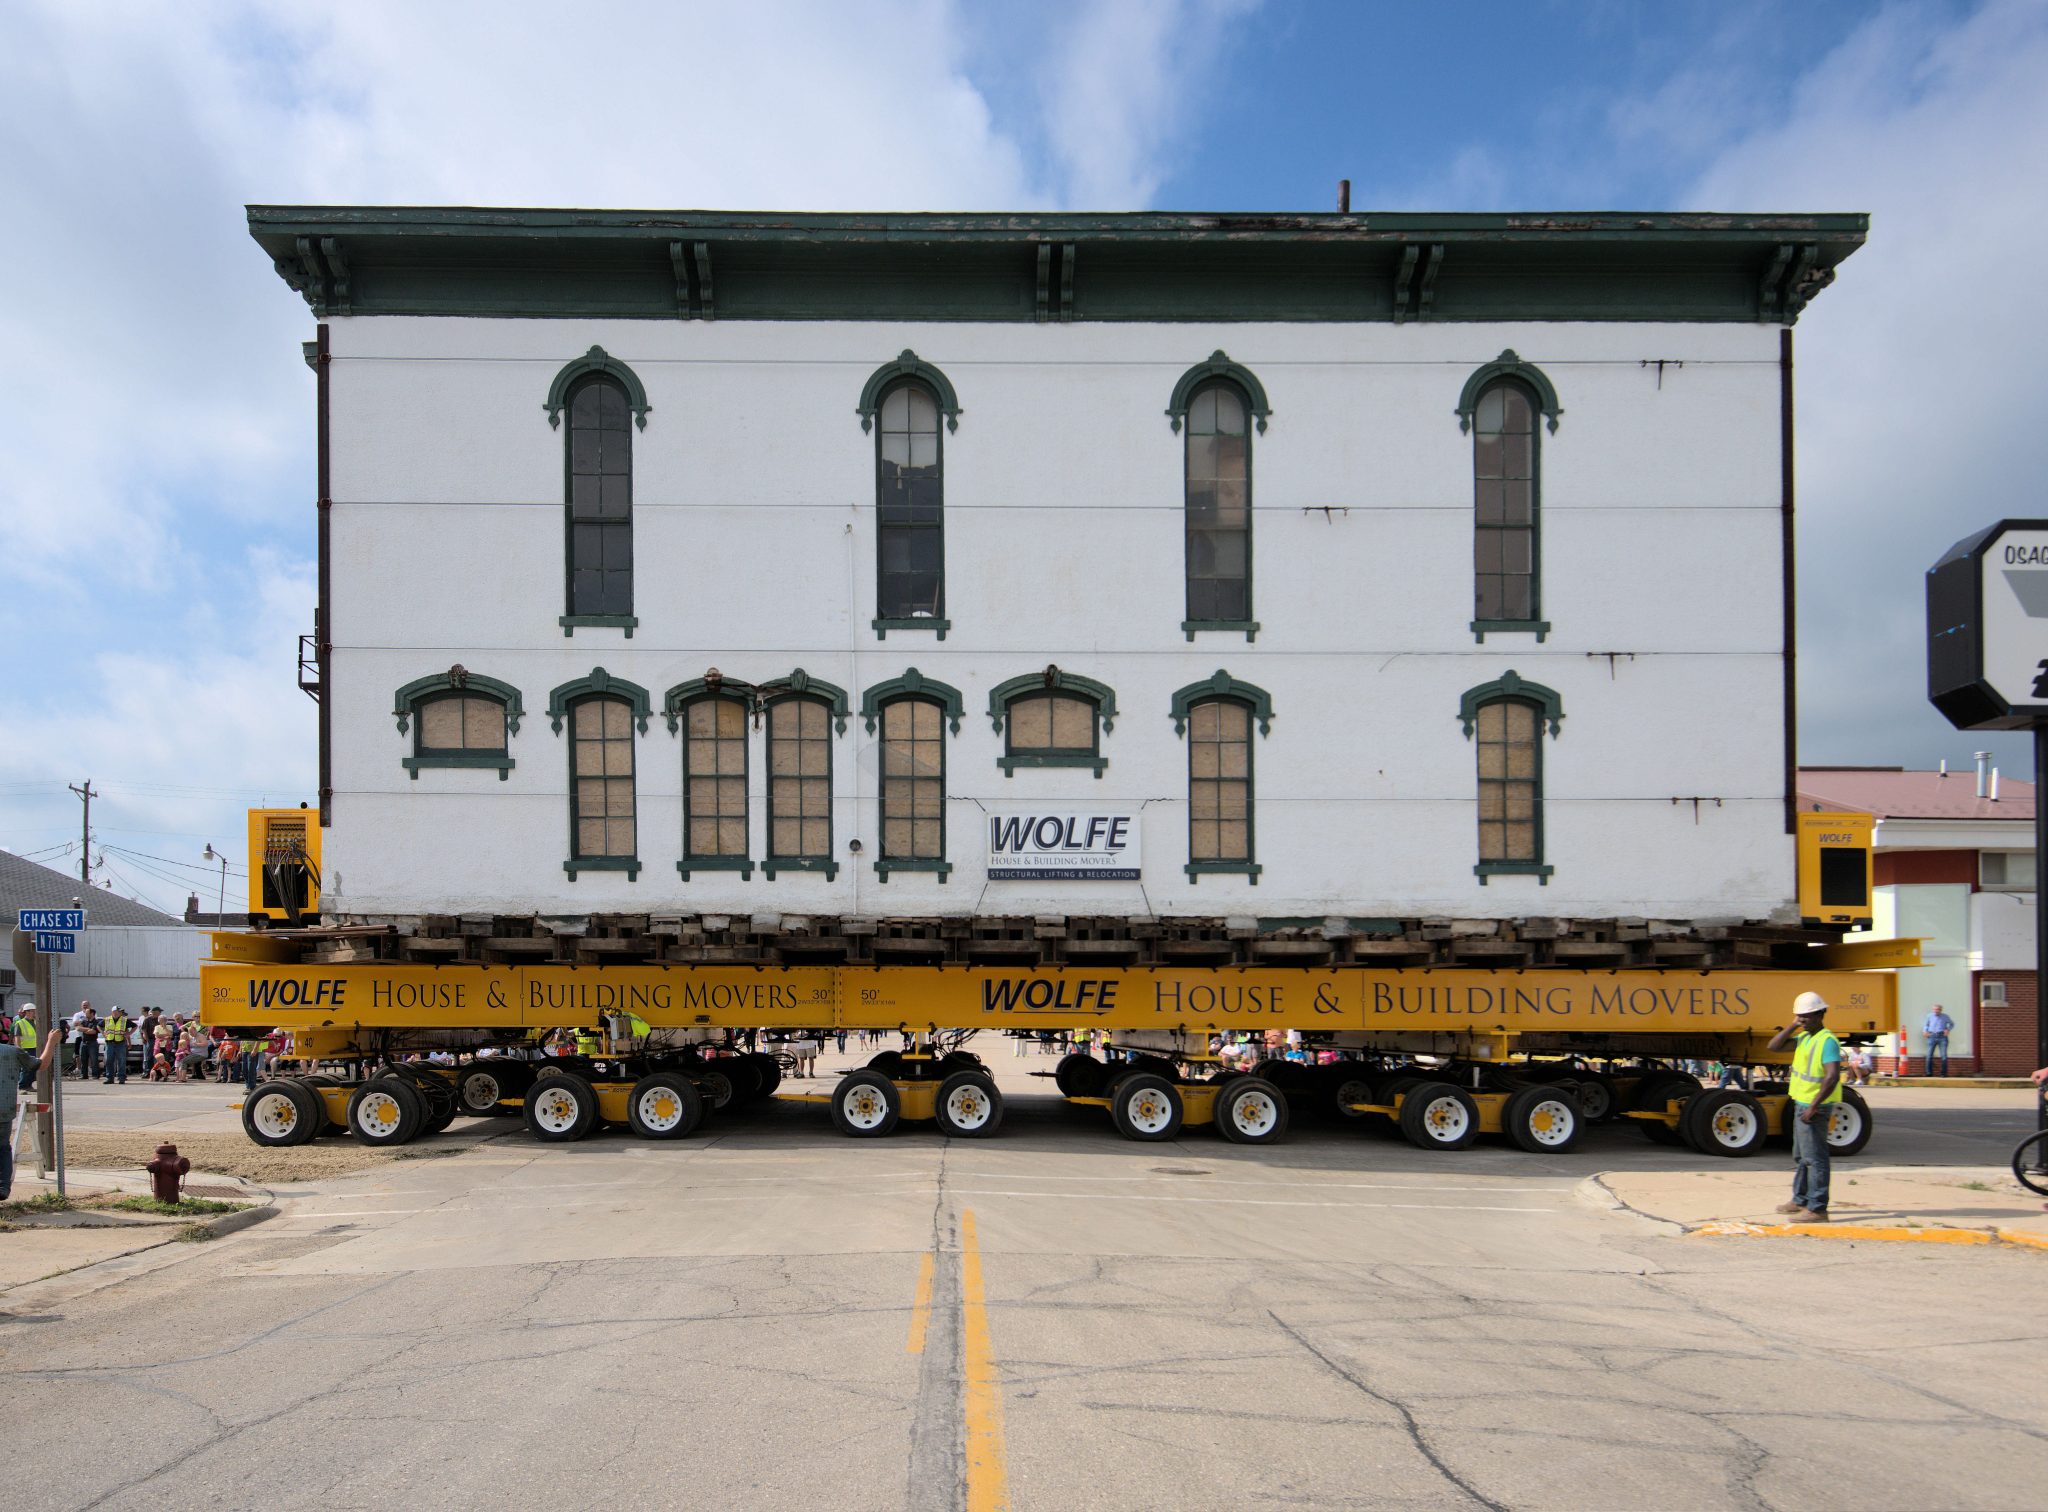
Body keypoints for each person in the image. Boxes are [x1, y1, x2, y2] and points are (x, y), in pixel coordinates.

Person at [1767, 991, 1843, 1223]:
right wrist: (1792, 1026)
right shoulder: (1805, 1037)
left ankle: (1818, 1208)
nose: (1803, 1020)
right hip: (1801, 1104)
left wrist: (1814, 1106)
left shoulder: (1827, 1041)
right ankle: (1800, 1199)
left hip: (1815, 1108)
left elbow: (1831, 1077)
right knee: (1801, 1156)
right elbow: (1774, 1046)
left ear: (1821, 1014)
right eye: (1800, 1016)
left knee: (1816, 1158)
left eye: (1807, 1016)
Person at [0, 1024, 61, 1201]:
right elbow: (41, 1065)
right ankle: (3, 1186)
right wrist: (51, 1042)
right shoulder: (12, 1052)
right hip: (3, 1109)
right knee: (3, 1148)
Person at [102, 1006, 130, 1085]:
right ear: (114, 1012)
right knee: (109, 1061)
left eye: (120, 1011)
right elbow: (98, 1025)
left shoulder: (124, 1020)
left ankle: (121, 1078)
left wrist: (128, 1034)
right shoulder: (107, 1019)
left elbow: (134, 1026)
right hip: (110, 1042)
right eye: (118, 1011)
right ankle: (109, 1078)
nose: (120, 1012)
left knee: (121, 1061)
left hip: (120, 1043)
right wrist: (103, 1033)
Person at [1923, 1006, 1954, 1077]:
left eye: (1938, 1009)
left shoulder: (1945, 1016)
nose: (1936, 1011)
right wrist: (1925, 1031)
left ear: (1941, 1010)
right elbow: (1926, 1025)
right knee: (1929, 1055)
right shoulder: (1929, 1016)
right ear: (1933, 1010)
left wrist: (1948, 1029)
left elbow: (1952, 1024)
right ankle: (1929, 1073)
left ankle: (1943, 1073)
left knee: (1944, 1056)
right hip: (1932, 1036)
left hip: (1942, 1036)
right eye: (1934, 1009)